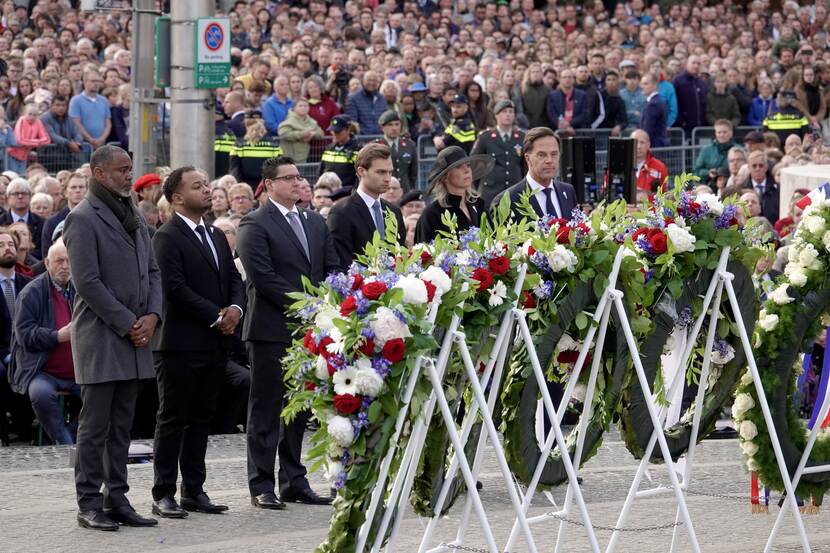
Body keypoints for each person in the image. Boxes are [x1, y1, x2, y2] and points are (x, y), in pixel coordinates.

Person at [64, 145, 161, 531]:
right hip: (103, 337)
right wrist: (129, 323)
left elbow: (152, 271)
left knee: (122, 426)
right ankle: (88, 502)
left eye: (129, 169)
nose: (128, 175)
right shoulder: (82, 218)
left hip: (135, 335)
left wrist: (152, 316)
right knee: (95, 427)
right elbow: (87, 282)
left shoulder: (132, 214)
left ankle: (116, 498)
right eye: (121, 170)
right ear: (99, 174)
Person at [237, 156, 340, 510]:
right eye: (290, 178)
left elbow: (331, 266)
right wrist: (308, 305)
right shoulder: (254, 222)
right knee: (266, 408)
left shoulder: (314, 221)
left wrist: (325, 303)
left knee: (297, 409)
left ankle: (294, 480)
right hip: (271, 329)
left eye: (300, 177)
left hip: (308, 331)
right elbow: (263, 278)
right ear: (269, 184)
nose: (299, 183)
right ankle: (261, 483)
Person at [150, 166, 244, 518]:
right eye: (197, 186)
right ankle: (163, 492)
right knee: (173, 417)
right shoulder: (167, 236)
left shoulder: (217, 236)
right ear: (176, 197)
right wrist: (217, 316)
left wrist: (235, 308)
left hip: (214, 343)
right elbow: (174, 288)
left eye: (207, 184)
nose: (207, 190)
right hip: (180, 343)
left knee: (202, 418)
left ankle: (194, 489)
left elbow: (234, 278)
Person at [8, 239, 79, 445]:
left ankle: (73, 438)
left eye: (68, 261)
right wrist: (57, 336)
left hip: (80, 370)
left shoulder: (81, 290)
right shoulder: (31, 293)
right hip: (42, 370)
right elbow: (24, 335)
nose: (65, 266)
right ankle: (65, 443)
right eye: (58, 261)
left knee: (103, 398)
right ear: (47, 263)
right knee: (40, 395)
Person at [327, 143, 406, 266]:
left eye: (390, 172)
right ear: (361, 171)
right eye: (381, 172)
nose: (388, 178)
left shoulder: (394, 211)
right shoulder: (341, 213)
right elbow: (341, 263)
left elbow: (401, 255)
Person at [491, 126, 577, 222]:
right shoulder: (506, 201)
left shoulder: (568, 191)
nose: (549, 160)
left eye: (554, 154)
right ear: (528, 159)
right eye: (541, 155)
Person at [415, 145, 493, 243]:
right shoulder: (433, 214)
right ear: (445, 177)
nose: (466, 170)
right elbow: (424, 252)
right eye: (458, 167)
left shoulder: (479, 206)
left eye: (468, 165)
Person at [0, 228, 33, 442]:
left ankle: (27, 428)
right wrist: (6, 354)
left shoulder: (28, 284)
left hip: (27, 348)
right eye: (1, 246)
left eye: (10, 244)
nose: (7, 249)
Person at [471, 100, 526, 208]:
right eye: (504, 112)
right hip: (491, 193)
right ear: (496, 115)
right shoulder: (485, 138)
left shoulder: (521, 137)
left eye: (511, 112)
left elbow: (525, 166)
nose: (508, 115)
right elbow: (474, 164)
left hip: (514, 192)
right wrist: (478, 190)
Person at [230, 111, 284, 189]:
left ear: (246, 125)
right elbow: (278, 169)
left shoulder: (239, 145)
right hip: (267, 187)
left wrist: (239, 186)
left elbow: (234, 169)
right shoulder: (274, 145)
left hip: (246, 187)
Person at [0, 178, 45, 260]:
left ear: (30, 197)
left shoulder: (42, 223)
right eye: (15, 193)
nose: (20, 197)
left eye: (24, 193)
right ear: (8, 197)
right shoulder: (1, 222)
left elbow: (43, 249)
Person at [375, 110, 418, 192]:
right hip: (384, 191)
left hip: (404, 190)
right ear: (382, 127)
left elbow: (413, 174)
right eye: (390, 125)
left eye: (397, 124)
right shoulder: (376, 146)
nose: (394, 128)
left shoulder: (410, 145)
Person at [40, 95, 86, 168]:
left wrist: (78, 143)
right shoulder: (45, 118)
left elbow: (77, 133)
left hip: (66, 157)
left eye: (63, 105)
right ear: (51, 106)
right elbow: (52, 136)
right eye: (57, 105)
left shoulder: (69, 118)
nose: (61, 108)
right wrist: (68, 143)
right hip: (49, 157)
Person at [69, 69, 111, 149]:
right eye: (93, 81)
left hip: (101, 145)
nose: (96, 84)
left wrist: (101, 139)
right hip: (83, 146)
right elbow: (76, 123)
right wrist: (90, 139)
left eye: (98, 81)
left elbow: (108, 123)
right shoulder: (76, 100)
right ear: (85, 82)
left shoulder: (104, 100)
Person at [7, 104, 51, 176]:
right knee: (13, 175)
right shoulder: (21, 120)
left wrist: (29, 143)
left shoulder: (38, 122)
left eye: (35, 115)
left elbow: (47, 140)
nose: (32, 117)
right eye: (30, 114)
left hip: (24, 155)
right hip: (13, 153)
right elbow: (19, 140)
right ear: (24, 113)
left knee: (22, 175)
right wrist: (37, 142)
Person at [319, 115, 360, 191]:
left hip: (347, 193)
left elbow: (360, 175)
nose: (334, 134)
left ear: (348, 130)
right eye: (332, 131)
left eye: (337, 131)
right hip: (328, 192)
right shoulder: (329, 148)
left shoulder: (358, 149)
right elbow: (321, 170)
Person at [277, 99, 324, 164]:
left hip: (304, 156)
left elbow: (321, 133)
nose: (303, 108)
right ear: (294, 108)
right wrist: (302, 134)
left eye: (305, 106)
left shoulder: (311, 122)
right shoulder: (289, 120)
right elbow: (283, 133)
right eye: (300, 106)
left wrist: (313, 134)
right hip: (289, 156)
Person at [693, 119, 737, 185]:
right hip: (711, 187)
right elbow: (697, 171)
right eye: (719, 132)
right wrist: (708, 173)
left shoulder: (738, 150)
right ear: (715, 133)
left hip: (733, 185)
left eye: (725, 132)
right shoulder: (706, 150)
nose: (722, 135)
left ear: (731, 133)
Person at [672, 55, 707, 136]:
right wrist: (681, 121)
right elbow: (674, 102)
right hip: (683, 127)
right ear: (687, 64)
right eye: (693, 63)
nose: (696, 66)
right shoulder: (678, 81)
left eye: (698, 63)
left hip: (699, 127)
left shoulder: (700, 82)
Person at [344, 70, 386, 135]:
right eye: (369, 80)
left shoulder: (382, 99)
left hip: (380, 138)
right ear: (363, 81)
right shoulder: (353, 98)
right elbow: (352, 122)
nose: (371, 83)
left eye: (374, 80)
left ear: (378, 83)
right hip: (362, 139)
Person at [547, 68, 588, 134]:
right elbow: (551, 113)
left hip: (577, 130)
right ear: (560, 79)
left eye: (569, 77)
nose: (567, 79)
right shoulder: (552, 95)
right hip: (558, 131)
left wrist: (569, 124)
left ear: (574, 79)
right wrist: (562, 125)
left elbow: (584, 113)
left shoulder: (581, 94)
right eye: (564, 77)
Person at [746, 149, 780, 224]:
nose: (758, 169)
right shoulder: (742, 188)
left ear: (766, 167)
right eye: (754, 166)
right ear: (749, 168)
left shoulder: (778, 189)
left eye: (761, 165)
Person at [639, 73, 669, 148]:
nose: (642, 87)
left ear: (654, 85)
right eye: (642, 84)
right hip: (658, 144)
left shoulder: (653, 104)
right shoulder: (659, 101)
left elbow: (647, 129)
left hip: (654, 146)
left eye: (645, 84)